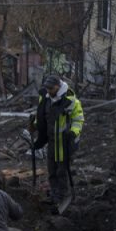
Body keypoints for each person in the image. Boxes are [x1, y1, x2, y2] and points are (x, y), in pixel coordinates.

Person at [30, 74, 83, 212]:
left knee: (62, 170)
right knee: (52, 169)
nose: (48, 91)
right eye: (46, 88)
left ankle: (63, 195)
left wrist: (73, 133)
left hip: (65, 142)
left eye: (51, 88)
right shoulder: (46, 99)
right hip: (52, 141)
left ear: (58, 86)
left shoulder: (70, 101)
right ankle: (54, 195)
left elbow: (78, 120)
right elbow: (42, 116)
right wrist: (35, 125)